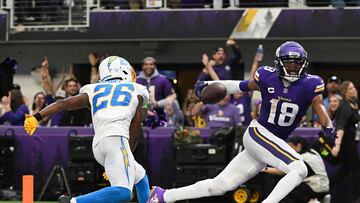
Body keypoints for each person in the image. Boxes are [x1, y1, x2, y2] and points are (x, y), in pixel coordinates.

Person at [147, 41, 336, 203]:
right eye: (289, 63)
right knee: (299, 168)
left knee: (219, 186)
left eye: (297, 64)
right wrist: (207, 85)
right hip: (259, 133)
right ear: (279, 63)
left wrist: (328, 126)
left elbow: (320, 109)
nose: (293, 68)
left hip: (269, 142)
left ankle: (164, 196)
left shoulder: (312, 84)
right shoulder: (267, 76)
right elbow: (240, 85)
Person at [24, 56, 151, 203]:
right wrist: (125, 156)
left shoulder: (94, 89)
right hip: (117, 140)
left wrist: (36, 117)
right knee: (124, 192)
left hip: (99, 144)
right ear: (122, 70)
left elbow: (63, 103)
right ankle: (73, 201)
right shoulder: (137, 90)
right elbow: (134, 132)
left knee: (141, 176)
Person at [263, 136, 329, 202]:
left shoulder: (302, 158)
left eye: (291, 147)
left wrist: (264, 169)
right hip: (324, 185)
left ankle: (311, 201)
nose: (289, 150)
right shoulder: (313, 152)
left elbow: (282, 172)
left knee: (288, 185)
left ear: (298, 146)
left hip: (316, 186)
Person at [330, 81, 360, 202]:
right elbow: (340, 127)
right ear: (345, 93)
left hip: (352, 140)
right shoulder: (345, 106)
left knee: (344, 170)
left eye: (354, 87)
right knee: (357, 169)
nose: (355, 90)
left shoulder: (355, 103)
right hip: (345, 142)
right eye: (351, 89)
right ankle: (356, 197)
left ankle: (325, 187)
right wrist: (337, 146)